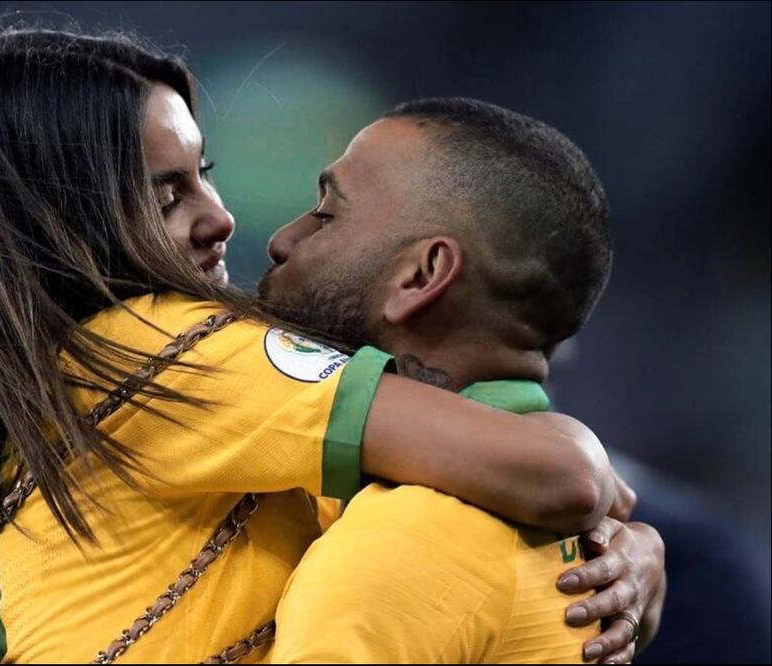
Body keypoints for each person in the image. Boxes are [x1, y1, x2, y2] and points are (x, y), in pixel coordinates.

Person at [0, 28, 647, 663]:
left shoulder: (91, 375)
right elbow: (557, 475)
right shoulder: (165, 351)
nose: (225, 219)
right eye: (167, 196)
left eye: (202, 175)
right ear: (59, 222)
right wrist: (607, 506)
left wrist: (630, 548)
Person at [257, 98, 666, 664]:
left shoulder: (407, 543)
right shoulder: (584, 542)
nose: (283, 239)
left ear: (421, 275)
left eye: (326, 215)